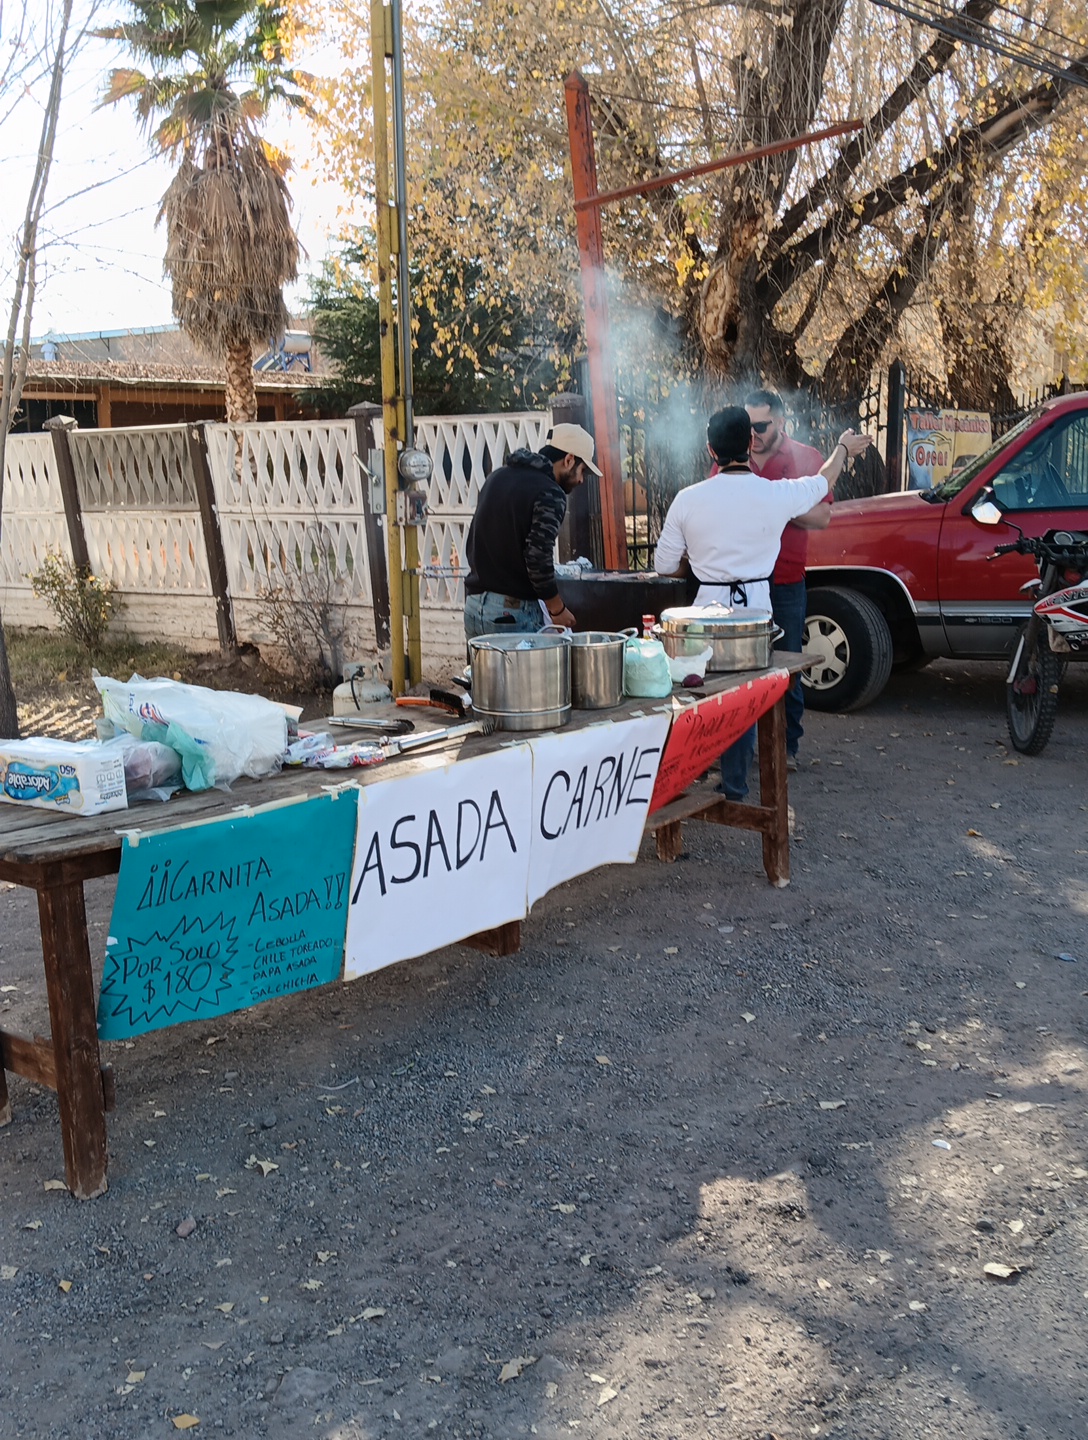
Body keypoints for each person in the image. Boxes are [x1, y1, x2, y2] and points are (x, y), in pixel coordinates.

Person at [653, 406, 861, 801]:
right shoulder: (773, 494)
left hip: (704, 611)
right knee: (745, 698)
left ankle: (693, 773)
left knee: (703, 692)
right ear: (749, 444)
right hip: (756, 613)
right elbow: (822, 482)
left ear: (710, 449)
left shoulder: (687, 499)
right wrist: (842, 449)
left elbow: (664, 565)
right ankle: (735, 786)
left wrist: (700, 561)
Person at [745, 388, 872, 772]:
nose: (752, 433)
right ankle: (742, 749)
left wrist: (771, 503)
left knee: (787, 669)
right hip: (744, 582)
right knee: (743, 671)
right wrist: (788, 502)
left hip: (784, 580)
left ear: (781, 421)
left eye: (761, 425)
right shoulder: (732, 456)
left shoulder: (807, 458)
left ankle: (787, 746)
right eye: (747, 425)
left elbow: (821, 518)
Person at [463, 422, 600, 639]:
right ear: (569, 459)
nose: (581, 480)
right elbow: (537, 558)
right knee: (532, 674)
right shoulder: (550, 492)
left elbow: (473, 542)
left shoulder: (496, 477)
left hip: (473, 606)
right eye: (582, 471)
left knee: (483, 675)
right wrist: (557, 609)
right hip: (512, 613)